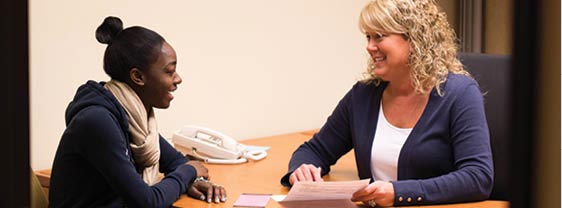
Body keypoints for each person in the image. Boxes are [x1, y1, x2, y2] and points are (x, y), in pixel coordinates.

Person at [280, 0, 493, 207]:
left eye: (379, 37)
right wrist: (301, 169)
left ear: (414, 39)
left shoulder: (460, 94)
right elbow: (315, 150)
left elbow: (477, 177)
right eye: (368, 37)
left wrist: (399, 193)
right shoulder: (363, 96)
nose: (369, 47)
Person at [49, 16, 227, 207]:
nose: (178, 79)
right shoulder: (97, 121)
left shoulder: (135, 119)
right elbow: (147, 203)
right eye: (169, 71)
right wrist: (189, 173)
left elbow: (176, 162)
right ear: (138, 77)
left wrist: (195, 181)